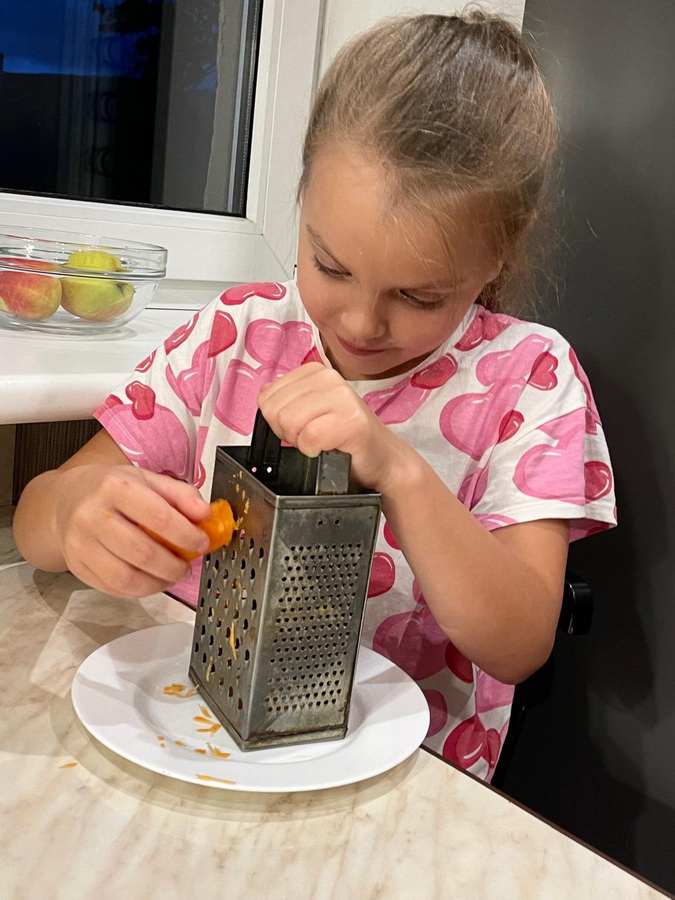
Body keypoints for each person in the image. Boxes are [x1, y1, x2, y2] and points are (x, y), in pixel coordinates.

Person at [13, 11, 616, 780]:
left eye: (419, 295)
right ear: (301, 199)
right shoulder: (235, 335)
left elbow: (519, 643)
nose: (362, 323)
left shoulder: (528, 379)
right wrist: (76, 515)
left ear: (500, 249)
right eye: (330, 266)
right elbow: (37, 517)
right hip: (190, 725)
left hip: (401, 778)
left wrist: (397, 470)